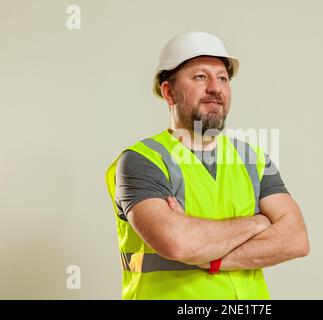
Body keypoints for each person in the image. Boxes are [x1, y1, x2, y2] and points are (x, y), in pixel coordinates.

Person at [105, 31, 310, 300]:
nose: (216, 87)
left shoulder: (253, 158)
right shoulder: (142, 160)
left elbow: (296, 239)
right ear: (169, 92)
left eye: (222, 78)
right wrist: (257, 223)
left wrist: (209, 257)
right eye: (200, 76)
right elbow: (177, 243)